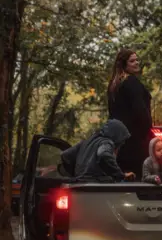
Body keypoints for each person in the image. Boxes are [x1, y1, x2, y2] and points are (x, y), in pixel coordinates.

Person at [107, 49, 152, 180]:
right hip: (135, 141)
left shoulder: (113, 85)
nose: (137, 63)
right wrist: (147, 130)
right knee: (136, 178)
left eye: (137, 60)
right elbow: (140, 110)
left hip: (117, 141)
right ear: (123, 64)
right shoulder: (131, 82)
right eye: (132, 61)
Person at [61, 119, 136, 182]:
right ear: (117, 135)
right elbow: (104, 155)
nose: (122, 143)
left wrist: (77, 175)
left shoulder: (86, 142)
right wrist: (121, 176)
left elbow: (65, 155)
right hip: (95, 185)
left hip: (79, 183)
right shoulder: (106, 142)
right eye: (122, 140)